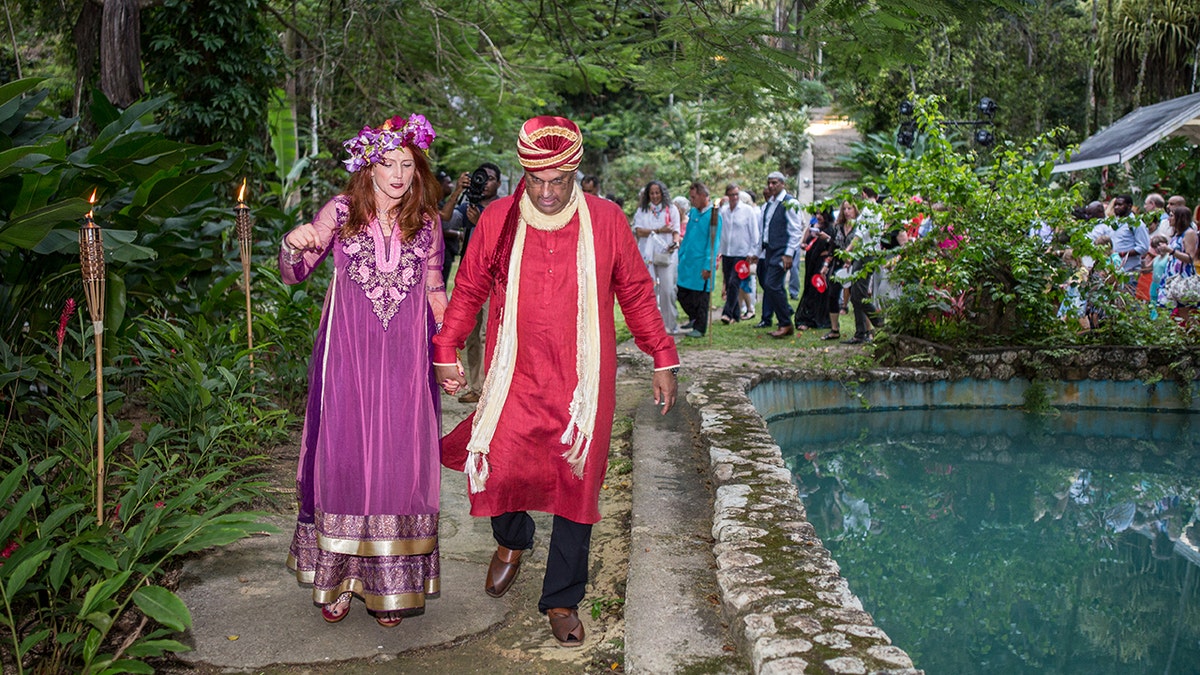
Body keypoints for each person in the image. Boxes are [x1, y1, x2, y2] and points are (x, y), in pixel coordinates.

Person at [433, 116, 679, 648]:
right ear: (524, 171)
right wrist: (446, 347)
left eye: (558, 180)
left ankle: (562, 597)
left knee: (576, 484)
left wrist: (662, 355)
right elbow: (469, 286)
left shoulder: (607, 220)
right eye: (536, 180)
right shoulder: (499, 218)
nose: (546, 193)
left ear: (575, 173)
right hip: (514, 372)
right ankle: (512, 540)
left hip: (582, 381)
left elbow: (636, 292)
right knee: (500, 464)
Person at [279, 114, 446, 628]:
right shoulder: (342, 211)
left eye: (407, 166)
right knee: (345, 463)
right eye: (387, 164)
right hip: (347, 359)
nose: (398, 175)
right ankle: (339, 579)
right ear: (367, 166)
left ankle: (389, 585)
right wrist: (294, 243)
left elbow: (436, 292)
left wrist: (448, 354)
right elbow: (295, 273)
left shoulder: (429, 222)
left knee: (400, 466)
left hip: (405, 365)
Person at [442, 162, 503, 403]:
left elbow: (505, 245)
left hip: (495, 279)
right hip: (472, 279)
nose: (484, 182)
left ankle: (493, 387)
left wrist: (481, 224)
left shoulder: (503, 209)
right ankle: (478, 388)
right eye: (480, 177)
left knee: (491, 334)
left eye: (489, 178)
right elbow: (445, 223)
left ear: (498, 183)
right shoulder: (468, 206)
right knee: (473, 336)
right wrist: (458, 191)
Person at [751, 171, 803, 337]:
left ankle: (786, 322)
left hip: (782, 250)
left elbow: (796, 230)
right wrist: (756, 252)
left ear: (782, 184)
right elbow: (764, 231)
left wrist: (788, 253)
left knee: (772, 284)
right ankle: (784, 318)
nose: (771, 186)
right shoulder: (769, 204)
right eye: (769, 183)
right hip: (770, 250)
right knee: (772, 285)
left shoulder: (790, 203)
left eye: (774, 183)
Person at [632, 180, 682, 334]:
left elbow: (675, 230)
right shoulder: (642, 210)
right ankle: (650, 325)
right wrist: (659, 230)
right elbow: (638, 231)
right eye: (651, 193)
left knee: (667, 290)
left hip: (665, 254)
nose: (654, 196)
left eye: (657, 192)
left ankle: (670, 323)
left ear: (662, 193)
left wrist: (675, 242)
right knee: (649, 290)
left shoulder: (671, 209)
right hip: (647, 255)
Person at [677, 182, 723, 338]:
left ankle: (700, 327)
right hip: (688, 261)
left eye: (694, 197)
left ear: (704, 196)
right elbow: (688, 236)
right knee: (682, 292)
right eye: (690, 197)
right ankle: (694, 317)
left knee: (701, 297)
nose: (692, 200)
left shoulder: (714, 216)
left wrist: (708, 265)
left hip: (702, 262)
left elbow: (713, 243)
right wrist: (681, 255)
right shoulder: (694, 213)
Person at [718, 183, 761, 324]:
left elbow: (754, 232)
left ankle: (727, 312)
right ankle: (736, 315)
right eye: (731, 195)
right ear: (727, 196)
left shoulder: (747, 210)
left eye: (736, 194)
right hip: (727, 251)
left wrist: (753, 251)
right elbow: (719, 231)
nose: (734, 197)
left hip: (742, 251)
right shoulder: (723, 211)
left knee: (734, 281)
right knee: (729, 283)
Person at [794, 208, 835, 330]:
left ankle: (818, 318)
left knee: (819, 289)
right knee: (809, 289)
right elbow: (806, 240)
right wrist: (804, 244)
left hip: (821, 263)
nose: (818, 216)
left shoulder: (831, 229)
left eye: (821, 214)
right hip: (811, 261)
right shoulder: (813, 226)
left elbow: (834, 247)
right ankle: (806, 318)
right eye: (817, 214)